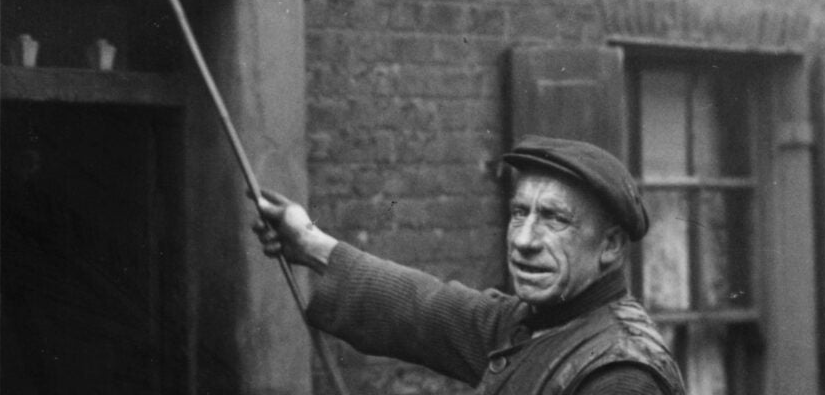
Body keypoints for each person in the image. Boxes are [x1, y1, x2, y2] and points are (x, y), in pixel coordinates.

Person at [253, 135, 686, 395]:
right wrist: (308, 242)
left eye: (554, 219)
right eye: (520, 212)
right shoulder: (531, 324)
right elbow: (422, 308)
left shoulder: (622, 373)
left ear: (610, 246)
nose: (523, 240)